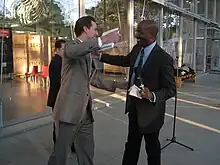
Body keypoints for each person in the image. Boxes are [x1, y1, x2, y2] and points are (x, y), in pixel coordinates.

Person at [98, 20, 176, 165]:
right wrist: (101, 57)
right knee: (132, 145)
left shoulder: (164, 59)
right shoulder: (137, 49)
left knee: (152, 148)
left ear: (151, 35)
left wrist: (152, 95)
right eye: (137, 31)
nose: (136, 35)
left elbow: (171, 89)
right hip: (133, 107)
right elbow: (125, 60)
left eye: (140, 32)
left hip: (151, 114)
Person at [47, 16, 120, 165]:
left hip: (85, 112)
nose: (96, 33)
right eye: (94, 29)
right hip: (69, 111)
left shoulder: (86, 53)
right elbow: (75, 51)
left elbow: (93, 79)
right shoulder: (70, 46)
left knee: (87, 151)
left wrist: (122, 84)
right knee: (60, 154)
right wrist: (103, 40)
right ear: (86, 29)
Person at [47, 39, 76, 153]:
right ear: (57, 50)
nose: (65, 52)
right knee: (59, 123)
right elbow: (59, 81)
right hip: (59, 97)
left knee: (65, 123)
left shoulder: (61, 61)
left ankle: (67, 144)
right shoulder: (57, 62)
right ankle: (59, 146)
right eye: (63, 49)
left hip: (62, 97)